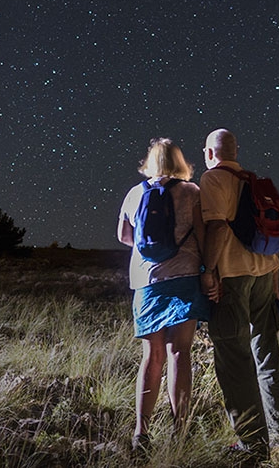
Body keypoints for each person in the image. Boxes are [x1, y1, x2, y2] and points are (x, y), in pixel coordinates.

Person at [199, 128, 279, 463]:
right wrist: (275, 283)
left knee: (234, 360)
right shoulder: (250, 181)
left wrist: (208, 271)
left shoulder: (213, 180)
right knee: (268, 356)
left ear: (209, 152)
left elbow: (217, 227)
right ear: (235, 151)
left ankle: (253, 444)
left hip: (233, 275)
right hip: (265, 273)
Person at [117, 137, 211, 452]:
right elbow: (201, 232)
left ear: (150, 162)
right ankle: (179, 433)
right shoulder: (192, 192)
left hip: (146, 282)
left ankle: (141, 433)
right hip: (184, 278)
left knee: (151, 356)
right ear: (179, 162)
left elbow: (123, 236)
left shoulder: (133, 194)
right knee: (179, 353)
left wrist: (150, 251)